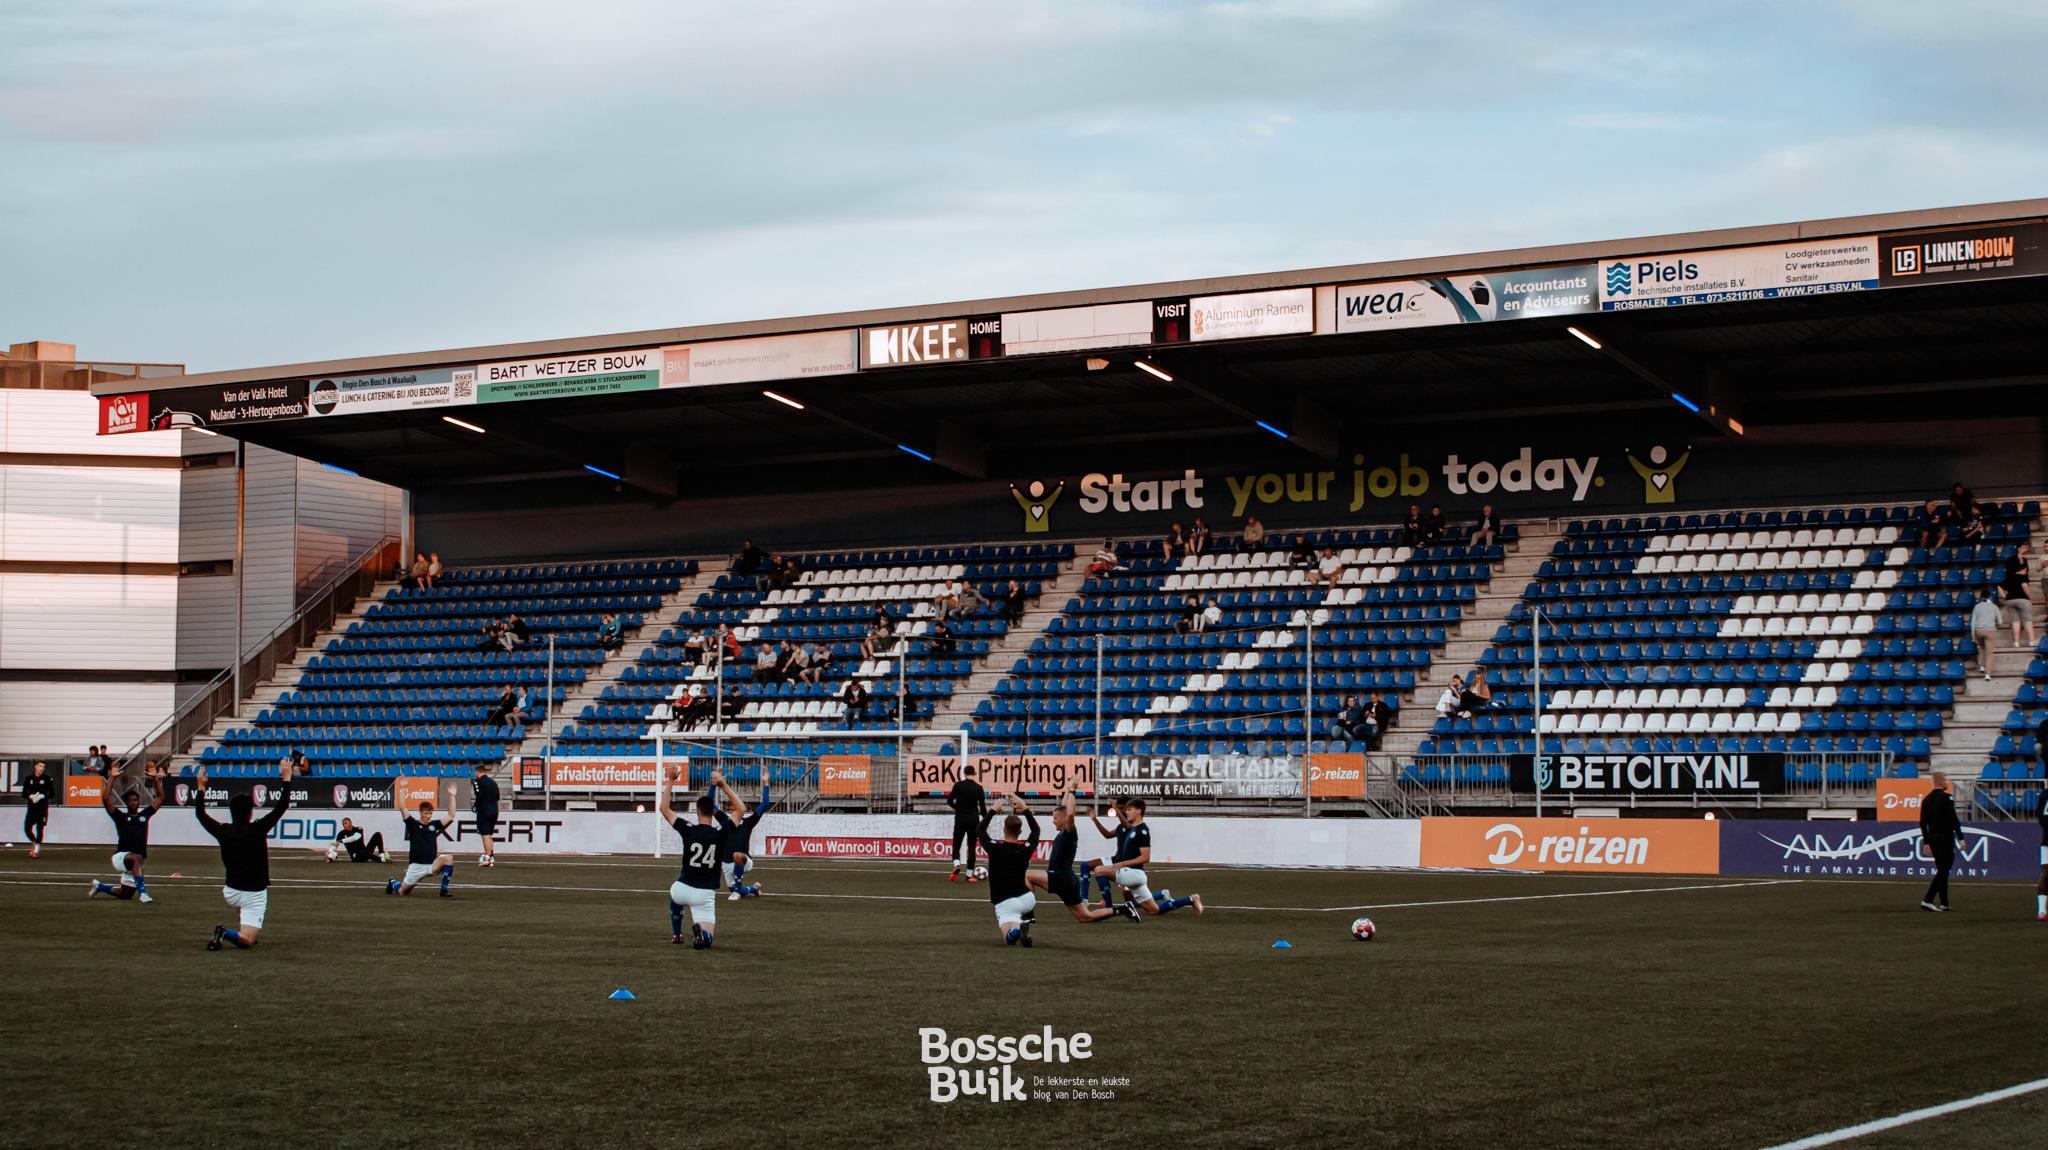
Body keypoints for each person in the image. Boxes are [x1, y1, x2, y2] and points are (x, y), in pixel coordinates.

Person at [194, 760, 292, 951]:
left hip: (230, 892)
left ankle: (242, 920)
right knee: (248, 941)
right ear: (251, 811)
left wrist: (200, 787)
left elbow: (200, 814)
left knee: (245, 916)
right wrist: (286, 778)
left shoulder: (223, 831)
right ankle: (224, 932)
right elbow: (282, 806)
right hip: (253, 894)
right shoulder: (258, 828)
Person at [1026, 787, 1134, 925]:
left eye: (1054, 818)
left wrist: (1072, 792)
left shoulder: (1069, 832)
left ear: (1064, 819)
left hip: (1061, 877)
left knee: (1026, 875)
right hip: (1068, 880)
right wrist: (1069, 788)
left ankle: (1028, 916)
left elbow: (1070, 814)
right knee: (1085, 917)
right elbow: (1065, 808)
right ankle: (1123, 909)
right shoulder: (1062, 832)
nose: (1052, 821)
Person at [1089, 798, 1200, 917]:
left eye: (1129, 810)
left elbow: (1145, 858)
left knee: (1099, 870)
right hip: (1134, 876)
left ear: (1138, 811)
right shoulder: (1133, 829)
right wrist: (1099, 816)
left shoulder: (1142, 831)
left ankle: (1108, 907)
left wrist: (1123, 864)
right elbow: (1119, 828)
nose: (1126, 812)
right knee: (1154, 910)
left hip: (1134, 873)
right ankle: (1190, 899)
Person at [657, 764, 724, 948]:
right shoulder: (719, 834)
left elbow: (664, 809)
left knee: (674, 897)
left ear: (696, 812)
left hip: (682, 889)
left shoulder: (688, 830)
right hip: (704, 894)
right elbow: (739, 811)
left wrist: (671, 780)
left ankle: (677, 933)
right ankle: (702, 935)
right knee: (709, 937)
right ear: (713, 812)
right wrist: (720, 784)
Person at [980, 794, 1043, 946]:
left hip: (1007, 902)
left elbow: (980, 830)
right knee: (1014, 922)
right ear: (1020, 832)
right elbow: (1036, 831)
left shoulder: (994, 848)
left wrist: (993, 810)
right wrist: (1024, 808)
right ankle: (1024, 922)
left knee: (1009, 939)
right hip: (1028, 899)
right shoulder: (1025, 850)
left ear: (1003, 830)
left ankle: (1018, 930)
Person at [89, 774, 162, 903]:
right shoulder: (120, 817)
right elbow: (106, 798)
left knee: (125, 894)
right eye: (130, 800)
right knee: (137, 858)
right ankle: (143, 894)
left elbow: (161, 798)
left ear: (138, 801)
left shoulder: (145, 815)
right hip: (120, 857)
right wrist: (111, 777)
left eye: (135, 800)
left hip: (133, 864)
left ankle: (99, 886)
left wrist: (155, 777)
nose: (133, 802)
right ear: (126, 802)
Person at [713, 772, 768, 901]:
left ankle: (736, 892)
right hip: (726, 864)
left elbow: (765, 804)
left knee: (737, 855)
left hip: (744, 860)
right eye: (732, 809)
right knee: (738, 888)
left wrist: (766, 783)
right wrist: (713, 785)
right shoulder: (725, 821)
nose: (733, 811)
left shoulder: (748, 822)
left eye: (736, 809)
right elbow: (710, 804)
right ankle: (753, 889)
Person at [386, 801, 455, 897]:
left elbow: (451, 815)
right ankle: (392, 882)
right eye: (426, 813)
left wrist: (452, 796)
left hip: (431, 865)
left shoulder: (434, 825)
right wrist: (403, 788)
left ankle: (443, 890)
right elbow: (402, 807)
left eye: (430, 813)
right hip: (416, 867)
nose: (429, 816)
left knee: (448, 858)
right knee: (403, 892)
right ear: (420, 812)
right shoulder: (413, 824)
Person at [1919, 771, 1964, 912]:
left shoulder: (1926, 800)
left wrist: (1926, 842)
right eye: (1945, 780)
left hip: (1933, 839)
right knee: (1944, 870)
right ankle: (1927, 899)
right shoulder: (1946, 798)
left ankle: (1944, 903)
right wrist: (1960, 838)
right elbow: (1953, 819)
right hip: (1945, 838)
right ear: (1940, 782)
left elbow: (1922, 823)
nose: (1947, 783)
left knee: (1942, 870)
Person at [946, 765, 989, 881]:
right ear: (974, 773)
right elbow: (983, 808)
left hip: (960, 818)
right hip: (973, 819)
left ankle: (957, 865)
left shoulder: (958, 785)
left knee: (956, 845)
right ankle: (969, 875)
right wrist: (986, 821)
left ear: (964, 773)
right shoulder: (978, 788)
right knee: (972, 847)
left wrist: (956, 807)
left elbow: (949, 800)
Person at [2002, 541, 2037, 650]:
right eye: (2023, 547)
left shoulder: (2023, 561)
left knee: (2015, 621)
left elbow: (2000, 585)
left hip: (2010, 598)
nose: (2025, 549)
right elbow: (2025, 585)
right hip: (2021, 597)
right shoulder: (2019, 574)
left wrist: (2005, 596)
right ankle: (2031, 641)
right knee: (2027, 620)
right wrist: (2030, 596)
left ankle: (2016, 642)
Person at [20, 760, 54, 858]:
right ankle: (34, 842)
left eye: (43, 766)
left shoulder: (48, 779)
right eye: (40, 766)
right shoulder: (29, 778)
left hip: (42, 807)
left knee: (40, 827)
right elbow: (24, 793)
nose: (42, 768)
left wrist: (42, 796)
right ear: (35, 767)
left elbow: (52, 794)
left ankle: (36, 851)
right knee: (27, 828)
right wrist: (31, 796)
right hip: (32, 807)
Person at [473, 763, 501, 867]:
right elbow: (498, 797)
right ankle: (491, 856)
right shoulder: (493, 782)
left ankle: (487, 857)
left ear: (477, 772)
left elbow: (479, 796)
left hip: (484, 810)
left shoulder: (478, 782)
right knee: (489, 834)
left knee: (485, 835)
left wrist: (476, 806)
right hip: (494, 810)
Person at [1969, 590, 2000, 681]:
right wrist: (1996, 626)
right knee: (1989, 653)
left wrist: (1973, 634)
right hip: (1989, 630)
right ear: (1989, 597)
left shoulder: (1977, 607)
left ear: (1981, 597)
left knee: (1981, 648)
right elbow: (2000, 621)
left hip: (1979, 630)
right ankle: (1988, 674)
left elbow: (1973, 622)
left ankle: (1982, 665)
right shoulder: (1994, 607)